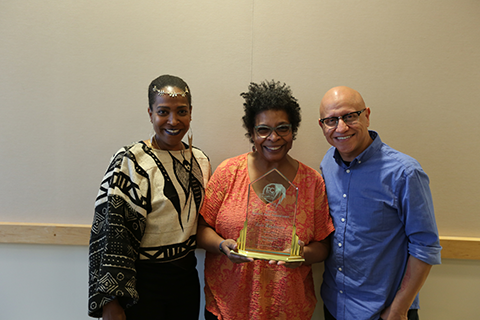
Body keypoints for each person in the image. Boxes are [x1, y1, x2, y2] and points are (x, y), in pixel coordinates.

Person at [197, 80, 334, 320]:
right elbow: (200, 229)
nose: (274, 137)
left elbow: (324, 246)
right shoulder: (228, 172)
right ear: (251, 132)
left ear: (294, 130)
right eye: (263, 130)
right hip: (228, 307)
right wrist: (222, 246)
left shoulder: (312, 182)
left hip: (288, 309)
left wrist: (302, 255)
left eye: (283, 128)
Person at [88, 74, 211, 319]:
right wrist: (112, 301)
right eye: (163, 112)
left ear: (191, 112)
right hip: (141, 283)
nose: (173, 121)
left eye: (182, 111)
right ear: (150, 113)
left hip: (186, 281)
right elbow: (112, 232)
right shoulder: (131, 160)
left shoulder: (200, 160)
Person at [317, 86, 442, 320]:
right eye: (331, 120)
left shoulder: (404, 173)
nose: (341, 127)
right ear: (322, 125)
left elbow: (425, 247)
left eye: (350, 116)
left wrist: (399, 309)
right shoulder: (327, 163)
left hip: (384, 312)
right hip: (334, 304)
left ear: (367, 115)